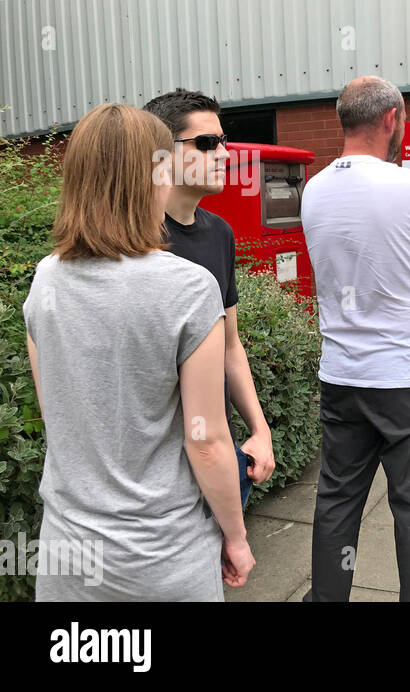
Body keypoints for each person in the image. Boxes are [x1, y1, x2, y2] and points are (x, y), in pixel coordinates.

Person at [24, 103, 253, 600]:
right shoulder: (189, 288)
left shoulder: (45, 280)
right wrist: (235, 537)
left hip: (68, 551)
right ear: (156, 175)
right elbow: (207, 440)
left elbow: (57, 413)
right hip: (162, 555)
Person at [300, 76, 410, 601]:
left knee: (337, 499)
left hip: (343, 376)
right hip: (409, 381)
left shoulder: (314, 188)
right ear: (391, 118)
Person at [143, 88, 276, 508]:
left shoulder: (219, 232)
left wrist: (259, 428)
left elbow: (229, 345)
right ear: (160, 154)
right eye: (205, 143)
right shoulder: (134, 241)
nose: (223, 153)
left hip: (220, 454)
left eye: (222, 142)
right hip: (158, 472)